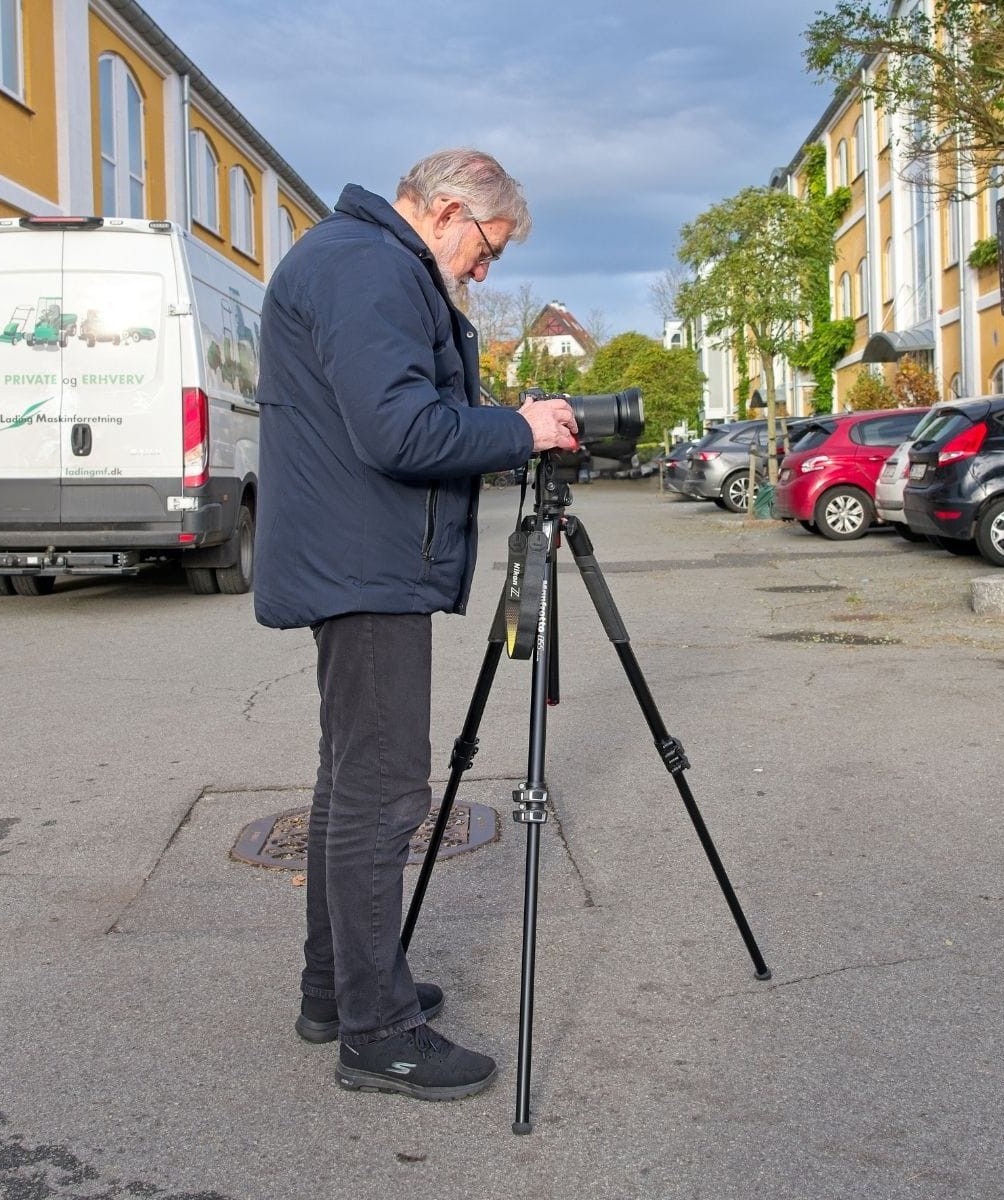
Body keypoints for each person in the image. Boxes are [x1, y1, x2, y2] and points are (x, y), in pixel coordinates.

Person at [253, 149, 578, 1103]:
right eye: (488, 247)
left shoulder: (363, 261)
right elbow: (398, 431)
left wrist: (499, 421)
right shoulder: (368, 266)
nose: (487, 271)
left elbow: (402, 411)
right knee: (384, 793)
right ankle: (377, 1031)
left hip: (358, 557)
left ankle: (339, 990)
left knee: (351, 780)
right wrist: (523, 430)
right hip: (364, 566)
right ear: (444, 212)